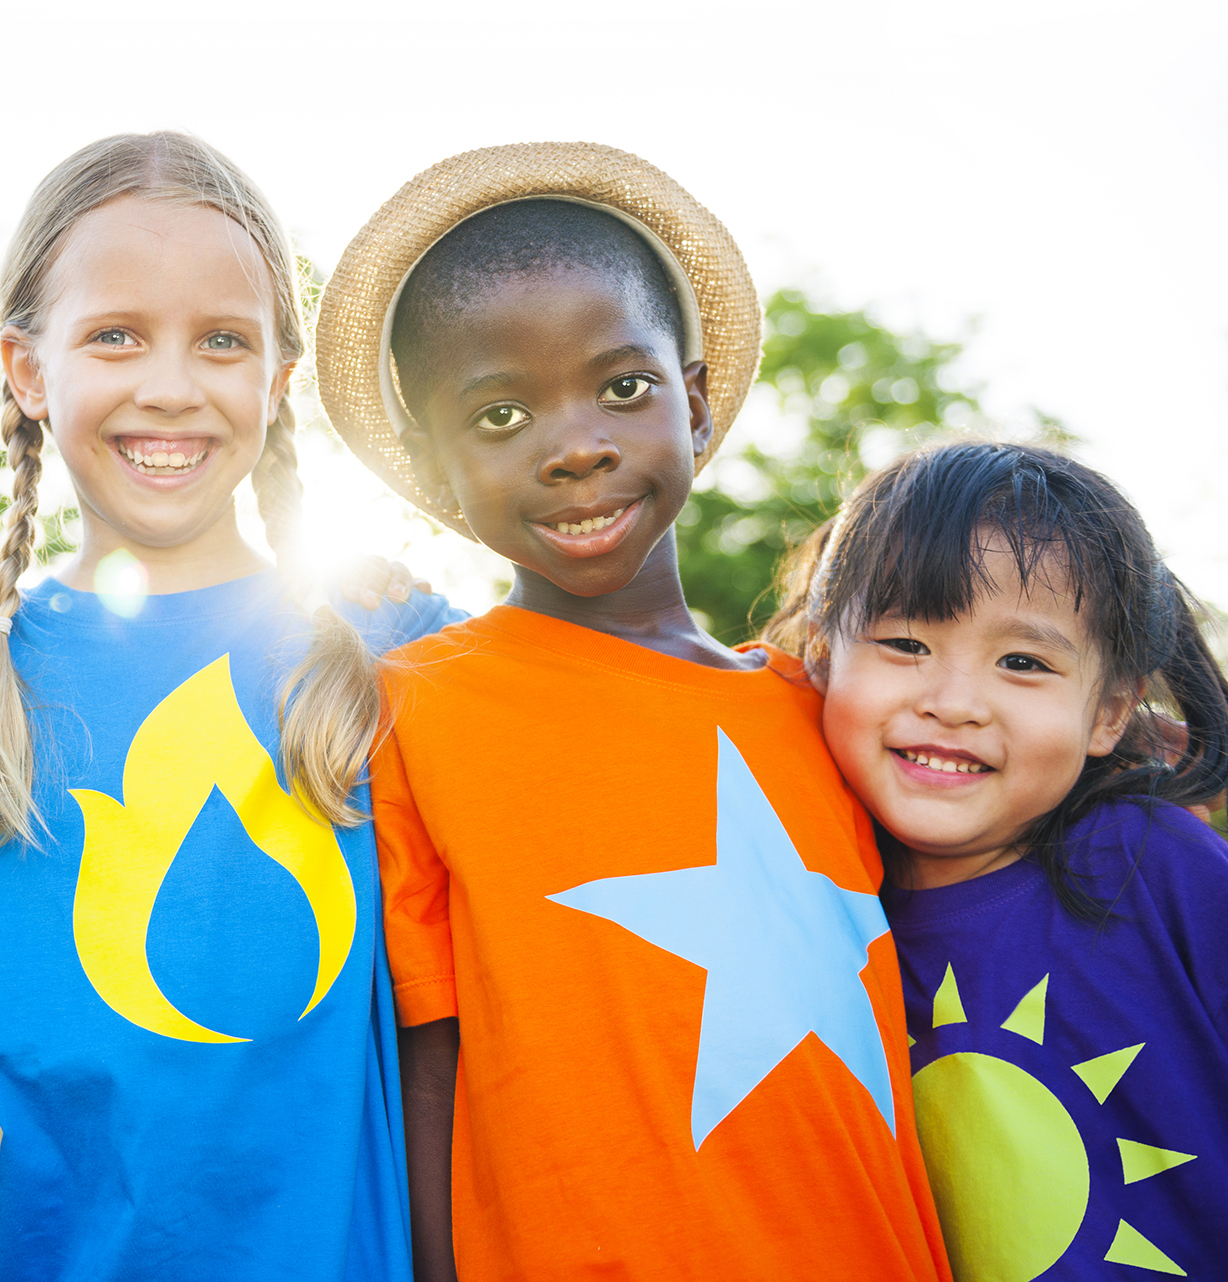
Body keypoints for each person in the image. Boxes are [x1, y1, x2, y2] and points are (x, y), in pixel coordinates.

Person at [314, 142, 951, 1280]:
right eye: (500, 414)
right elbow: (428, 1061)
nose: (577, 447)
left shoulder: (826, 705)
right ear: (430, 465)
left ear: (694, 402)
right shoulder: (416, 710)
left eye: (622, 387)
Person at [0, 132, 459, 1282]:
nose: (169, 385)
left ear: (276, 378)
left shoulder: (390, 648)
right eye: (114, 335)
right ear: (25, 369)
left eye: (220, 340)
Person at [766, 440, 1228, 1280]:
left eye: (1023, 663)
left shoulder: (1155, 863)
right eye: (906, 643)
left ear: (1110, 711)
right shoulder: (809, 909)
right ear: (824, 653)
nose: (953, 703)